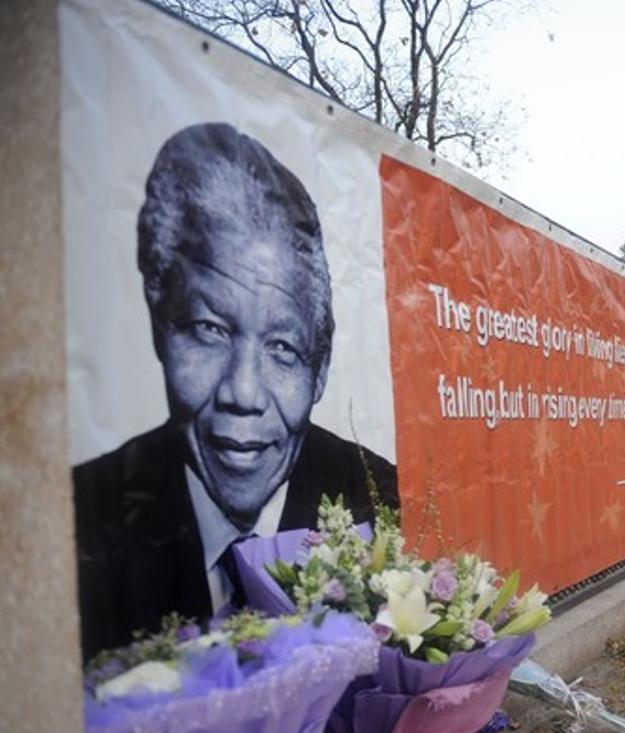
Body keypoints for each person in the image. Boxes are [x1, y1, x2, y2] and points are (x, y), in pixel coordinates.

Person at [73, 123, 398, 661]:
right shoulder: (81, 518)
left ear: (321, 366)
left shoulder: (380, 497)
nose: (243, 393)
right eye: (209, 330)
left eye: (282, 348)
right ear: (160, 327)